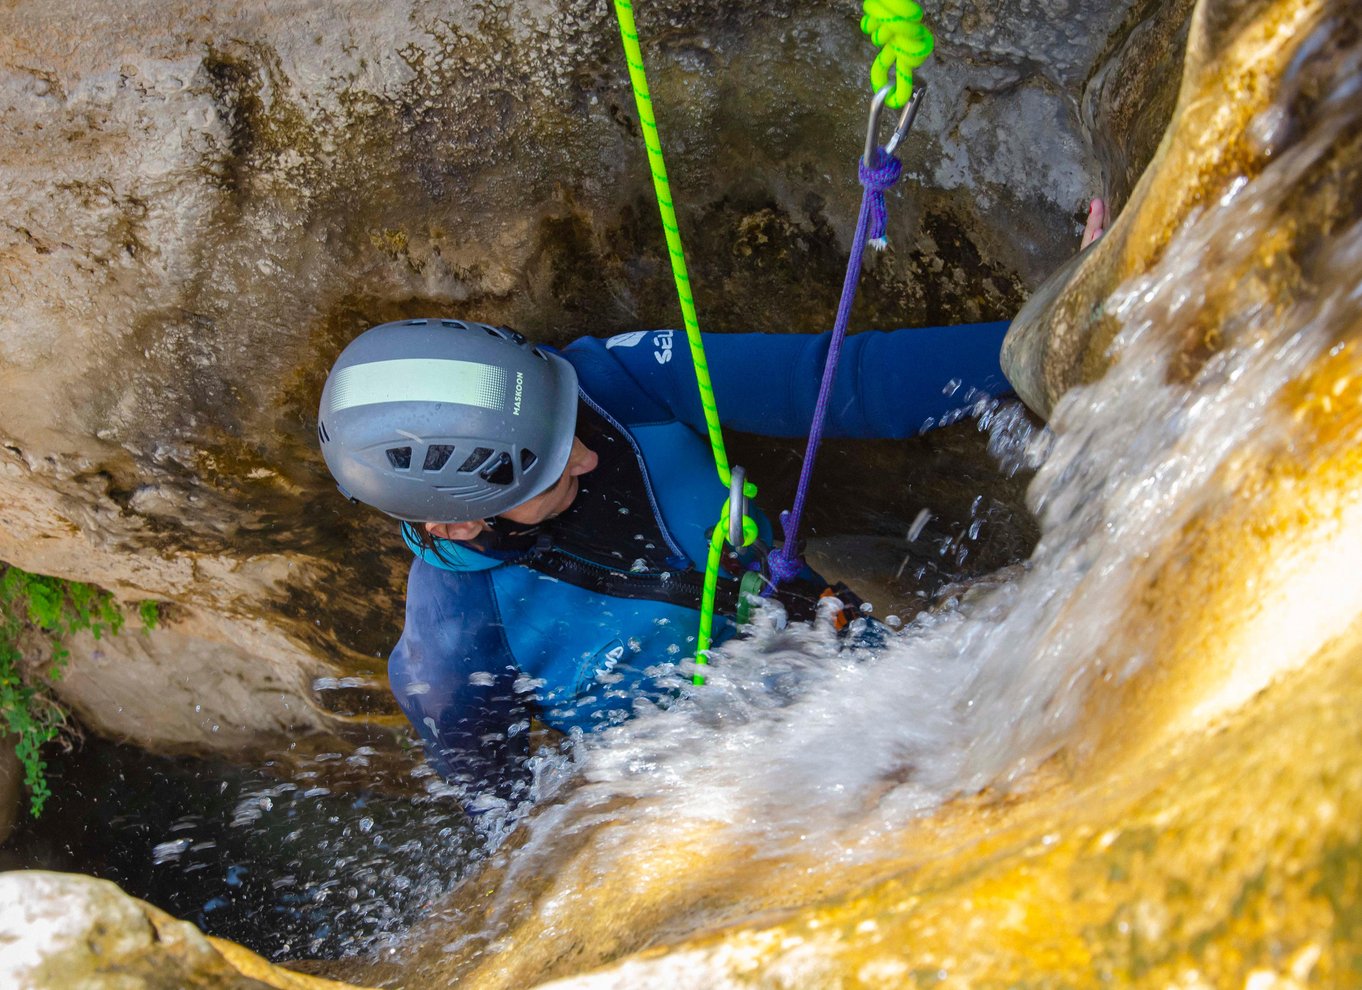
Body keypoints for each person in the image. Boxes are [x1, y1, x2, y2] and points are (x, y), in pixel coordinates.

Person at [317, 202, 1107, 812]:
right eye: (549, 471)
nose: (589, 456)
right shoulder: (449, 652)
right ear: (456, 525)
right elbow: (512, 821)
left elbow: (842, 383)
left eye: (571, 428)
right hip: (715, 795)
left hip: (858, 667)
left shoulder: (615, 382)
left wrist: (1056, 327)